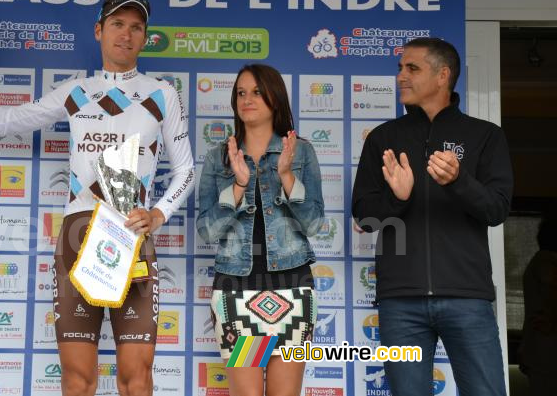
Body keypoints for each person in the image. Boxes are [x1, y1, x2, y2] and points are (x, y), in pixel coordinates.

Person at [0, 0, 195, 396]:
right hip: (78, 238)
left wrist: (160, 214)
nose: (126, 35)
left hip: (132, 237)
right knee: (77, 380)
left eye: (136, 28)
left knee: (138, 379)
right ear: (98, 31)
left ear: (145, 38)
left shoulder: (162, 93)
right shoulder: (76, 91)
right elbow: (7, 121)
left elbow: (186, 168)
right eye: (117, 24)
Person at [352, 37, 513, 396]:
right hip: (401, 300)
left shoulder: (485, 136)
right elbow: (365, 216)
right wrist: (398, 198)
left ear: (443, 76)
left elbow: (497, 209)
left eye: (412, 68)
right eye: (399, 68)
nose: (400, 77)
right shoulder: (383, 138)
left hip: (467, 297)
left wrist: (459, 181)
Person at [197, 64, 324, 396]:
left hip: (293, 290)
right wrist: (238, 187)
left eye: (255, 92)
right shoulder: (218, 158)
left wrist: (286, 176)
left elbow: (313, 224)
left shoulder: (300, 152)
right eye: (241, 92)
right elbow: (207, 232)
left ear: (274, 98)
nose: (246, 99)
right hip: (237, 291)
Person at [519, 209, 557, 396]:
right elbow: (552, 289)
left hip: (540, 349)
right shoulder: (546, 262)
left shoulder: (539, 262)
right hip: (545, 349)